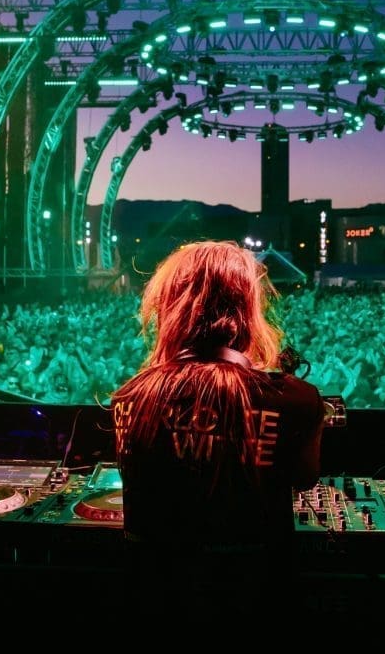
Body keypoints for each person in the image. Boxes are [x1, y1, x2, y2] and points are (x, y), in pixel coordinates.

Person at [110, 241, 324, 624]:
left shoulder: (130, 398)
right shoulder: (296, 399)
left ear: (170, 308)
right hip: (256, 608)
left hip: (154, 610)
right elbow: (305, 477)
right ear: (247, 309)